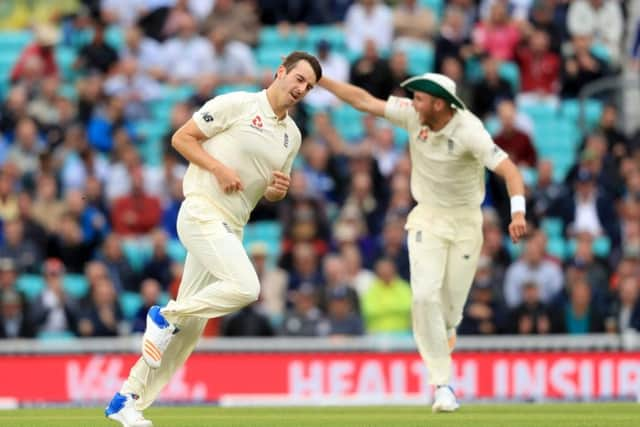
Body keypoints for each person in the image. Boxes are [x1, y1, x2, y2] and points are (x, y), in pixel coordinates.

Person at [104, 51, 321, 427]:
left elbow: (269, 192)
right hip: (202, 211)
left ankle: (128, 400)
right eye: (299, 78)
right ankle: (165, 314)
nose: (302, 88)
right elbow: (181, 138)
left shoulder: (293, 136)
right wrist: (218, 168)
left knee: (186, 336)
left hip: (231, 226)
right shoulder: (237, 104)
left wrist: (277, 192)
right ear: (281, 72)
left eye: (310, 86)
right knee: (246, 287)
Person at [318, 71, 526, 412]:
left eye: (419, 99)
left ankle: (445, 337)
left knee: (448, 316)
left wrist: (517, 213)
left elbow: (511, 172)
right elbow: (364, 101)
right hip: (426, 217)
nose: (412, 104)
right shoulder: (414, 114)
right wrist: (321, 80)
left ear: (439, 104)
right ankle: (442, 385)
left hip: (465, 223)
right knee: (425, 295)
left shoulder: (469, 130)